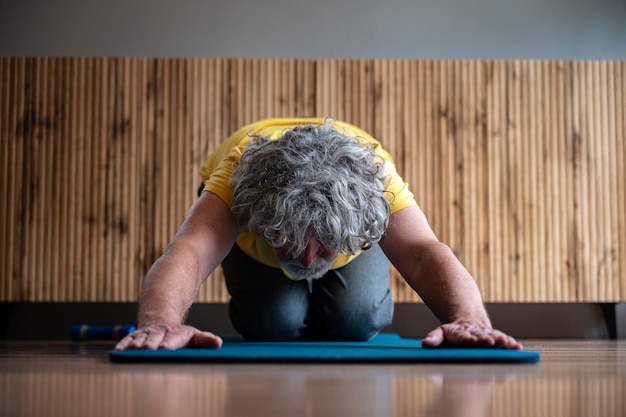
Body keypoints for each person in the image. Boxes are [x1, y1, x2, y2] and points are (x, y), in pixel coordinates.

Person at [115, 117, 522, 351]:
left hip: (349, 213)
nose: (307, 260)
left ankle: (330, 263)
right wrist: (160, 321)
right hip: (259, 237)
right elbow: (191, 250)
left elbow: (421, 252)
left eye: (324, 242)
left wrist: (470, 320)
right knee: (273, 324)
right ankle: (283, 274)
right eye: (291, 240)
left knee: (356, 319)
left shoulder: (375, 180)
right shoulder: (237, 180)